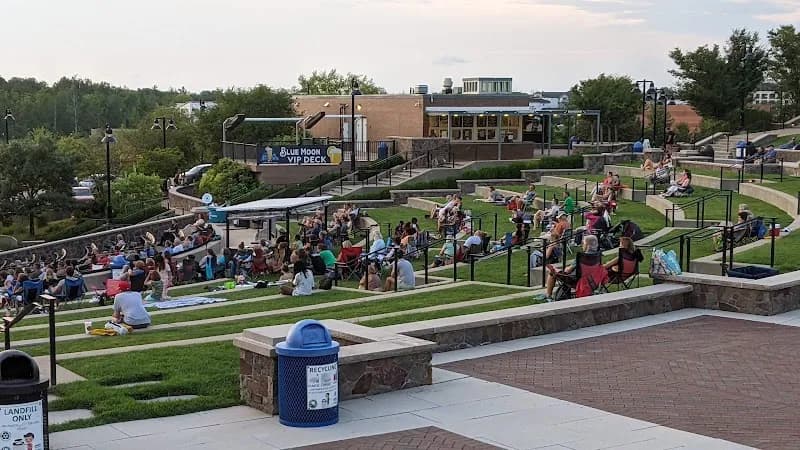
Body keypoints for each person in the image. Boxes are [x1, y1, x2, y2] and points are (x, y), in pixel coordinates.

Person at [538, 235, 600, 302]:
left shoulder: (581, 257)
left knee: (552, 272)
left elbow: (568, 271)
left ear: (587, 245)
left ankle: (548, 296)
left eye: (583, 243)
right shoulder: (597, 255)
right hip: (592, 280)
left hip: (576, 281)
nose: (582, 245)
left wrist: (563, 270)